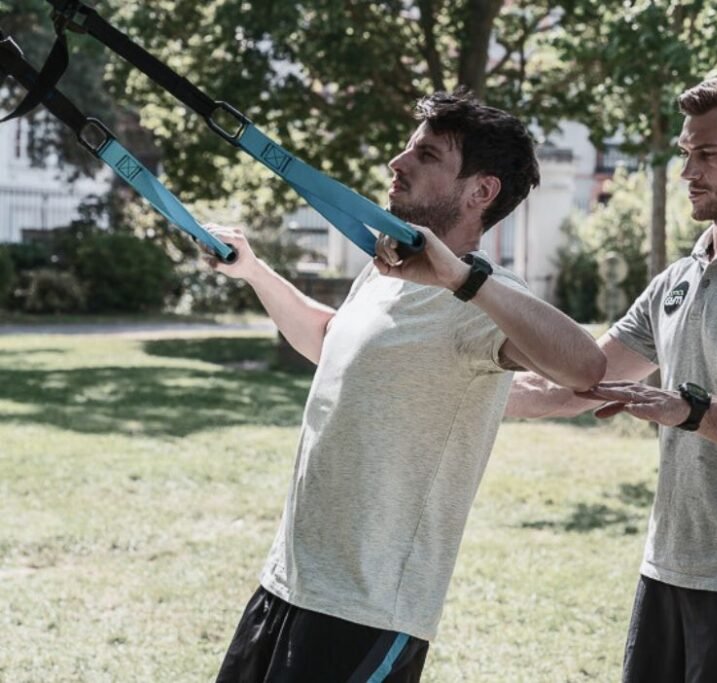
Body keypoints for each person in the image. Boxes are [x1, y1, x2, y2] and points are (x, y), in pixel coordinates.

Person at [208, 91, 606, 682]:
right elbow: (329, 342)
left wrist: (464, 279)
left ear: (481, 191)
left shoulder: (486, 300)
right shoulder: (384, 270)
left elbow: (584, 367)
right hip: (291, 580)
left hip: (368, 611)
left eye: (426, 154)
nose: (398, 161)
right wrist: (253, 271)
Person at [507, 74, 717, 682]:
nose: (689, 171)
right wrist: (477, 396)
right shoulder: (678, 280)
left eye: (709, 155)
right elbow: (584, 379)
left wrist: (689, 409)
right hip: (666, 571)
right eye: (686, 154)